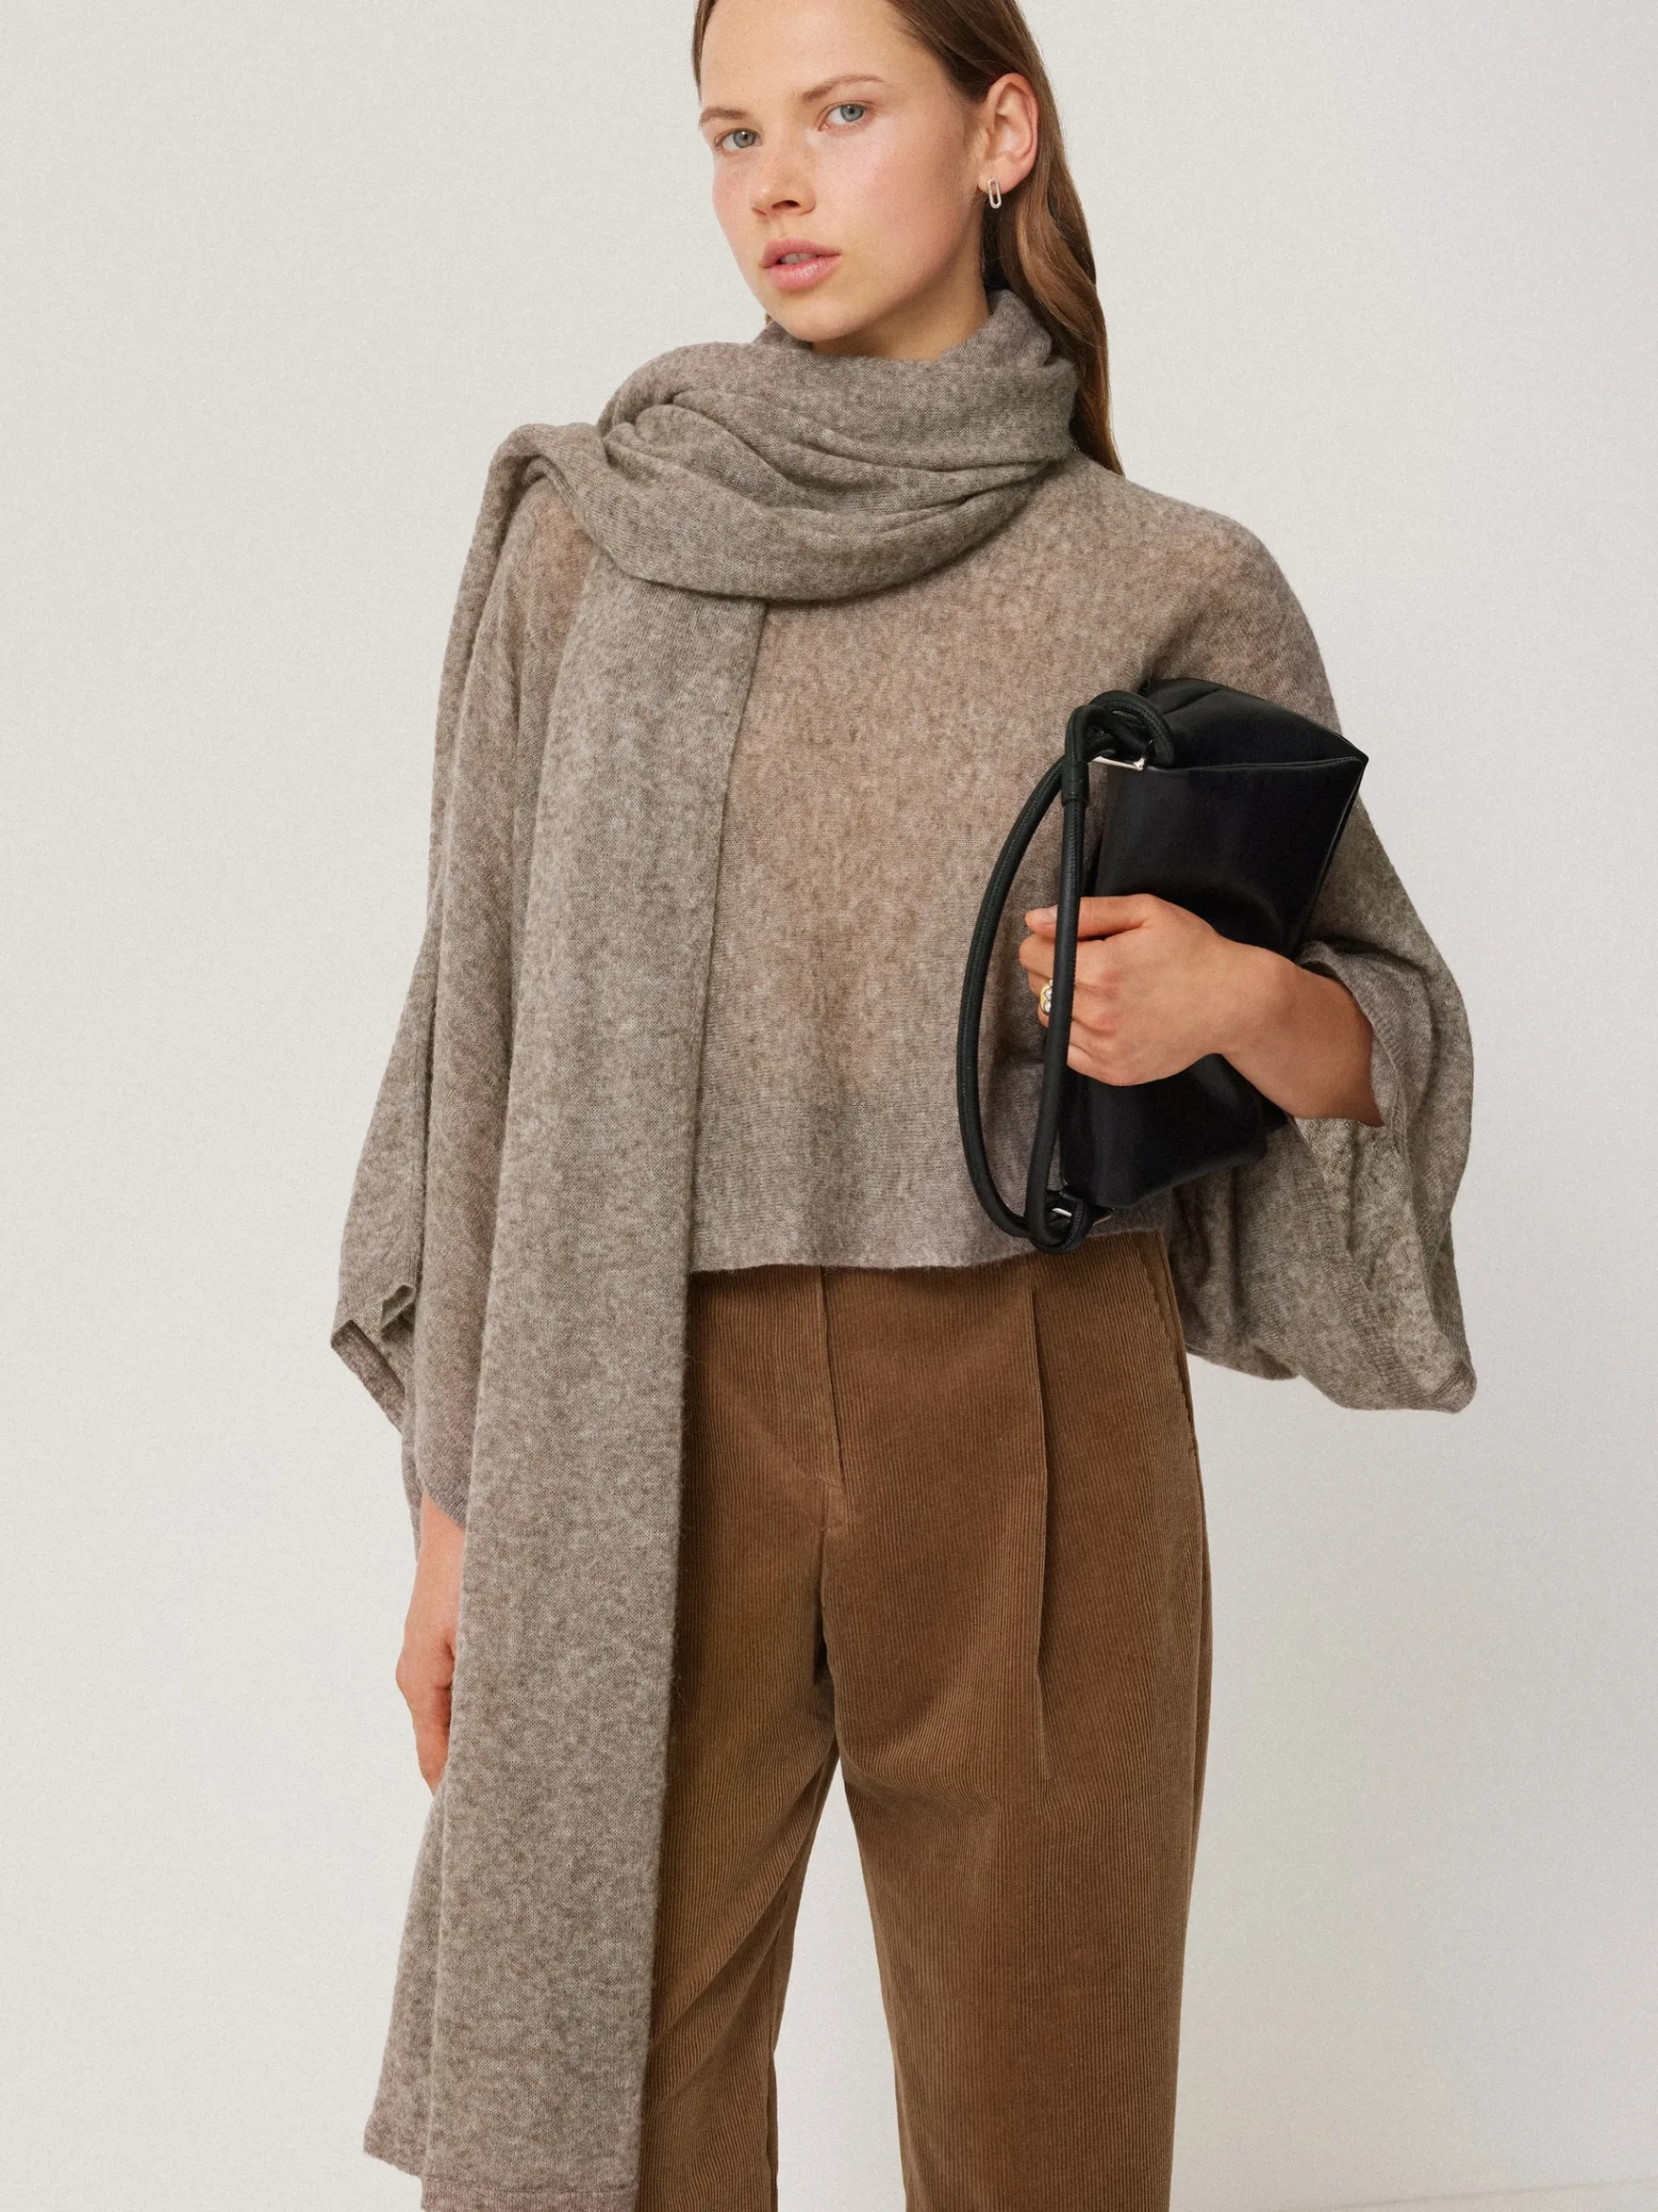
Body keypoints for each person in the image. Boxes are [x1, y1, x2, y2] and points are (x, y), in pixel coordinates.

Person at [331, 1, 1475, 2207]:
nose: (773, 180)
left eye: (841, 113)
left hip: (1037, 1404)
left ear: (997, 131)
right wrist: (455, 1511)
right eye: (729, 132)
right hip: (640, 1411)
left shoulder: (1159, 575)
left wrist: (1232, 992)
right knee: (608, 2119)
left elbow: (1379, 1030)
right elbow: (478, 1035)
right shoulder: (595, 541)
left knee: (1046, 2126)